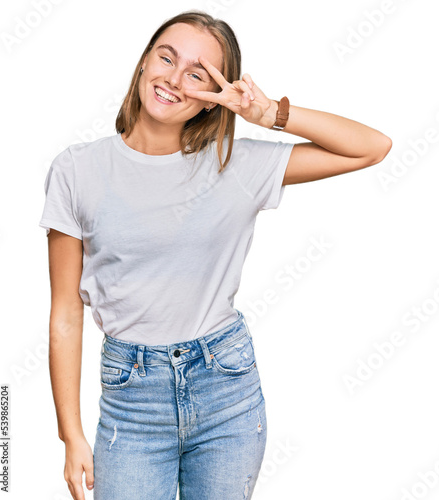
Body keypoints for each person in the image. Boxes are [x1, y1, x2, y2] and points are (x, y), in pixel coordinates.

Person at [38, 9, 392, 500]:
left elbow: (372, 148)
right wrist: (70, 433)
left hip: (225, 387)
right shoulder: (76, 170)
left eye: (197, 73)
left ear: (211, 98)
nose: (174, 79)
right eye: (167, 57)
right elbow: (65, 314)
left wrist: (269, 114)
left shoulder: (235, 164)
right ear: (144, 63)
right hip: (132, 401)